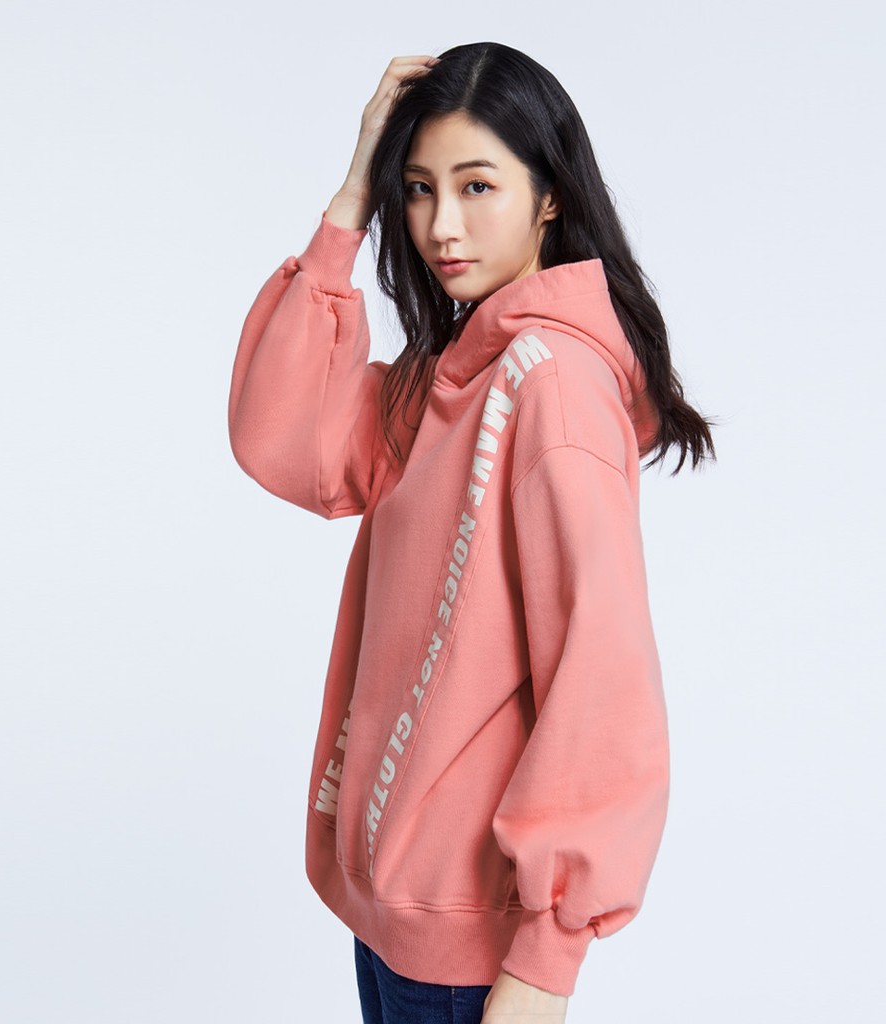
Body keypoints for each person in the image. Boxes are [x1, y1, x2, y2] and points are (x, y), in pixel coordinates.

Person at [228, 41, 716, 1024]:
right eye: (419, 189)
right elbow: (284, 440)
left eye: (478, 186)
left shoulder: (551, 387)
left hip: (469, 954)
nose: (441, 226)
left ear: (549, 195)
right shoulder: (456, 375)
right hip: (395, 919)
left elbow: (602, 680)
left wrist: (545, 962)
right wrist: (352, 194)